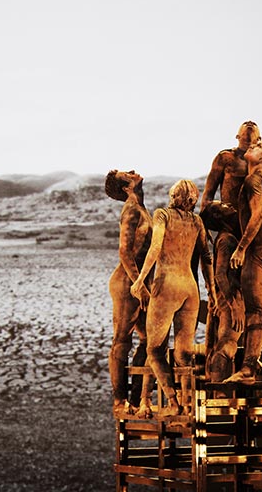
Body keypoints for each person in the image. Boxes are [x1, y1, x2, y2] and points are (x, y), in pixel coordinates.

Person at [131, 180, 215, 416]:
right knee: (183, 354)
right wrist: (212, 290)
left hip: (167, 284)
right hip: (190, 288)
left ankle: (173, 402)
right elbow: (206, 256)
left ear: (174, 195)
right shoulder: (197, 221)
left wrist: (140, 279)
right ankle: (188, 405)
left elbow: (155, 247)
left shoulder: (163, 215)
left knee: (154, 350)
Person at [225, 140, 262, 382]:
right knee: (259, 310)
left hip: (258, 252)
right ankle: (254, 363)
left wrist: (241, 248)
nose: (253, 145)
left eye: (259, 146)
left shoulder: (254, 180)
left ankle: (248, 369)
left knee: (255, 312)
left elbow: (257, 217)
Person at [105, 169, 155, 417]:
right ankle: (119, 400)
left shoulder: (141, 207)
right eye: (128, 174)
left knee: (149, 340)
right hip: (128, 283)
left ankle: (135, 400)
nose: (134, 172)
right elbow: (124, 251)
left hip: (141, 282)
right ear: (126, 187)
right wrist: (138, 284)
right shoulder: (132, 210)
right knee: (122, 340)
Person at [199, 201, 244, 382]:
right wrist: (234, 306)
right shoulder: (227, 240)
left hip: (225, 296)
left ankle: (218, 388)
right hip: (230, 297)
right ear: (218, 216)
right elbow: (220, 275)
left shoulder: (226, 238)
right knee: (227, 344)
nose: (230, 205)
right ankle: (219, 392)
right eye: (224, 205)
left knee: (219, 345)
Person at [200, 121, 261, 211]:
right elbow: (209, 192)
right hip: (229, 216)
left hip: (255, 216)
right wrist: (204, 215)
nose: (250, 123)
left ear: (259, 139)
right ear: (237, 136)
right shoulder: (224, 157)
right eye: (245, 123)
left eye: (254, 124)